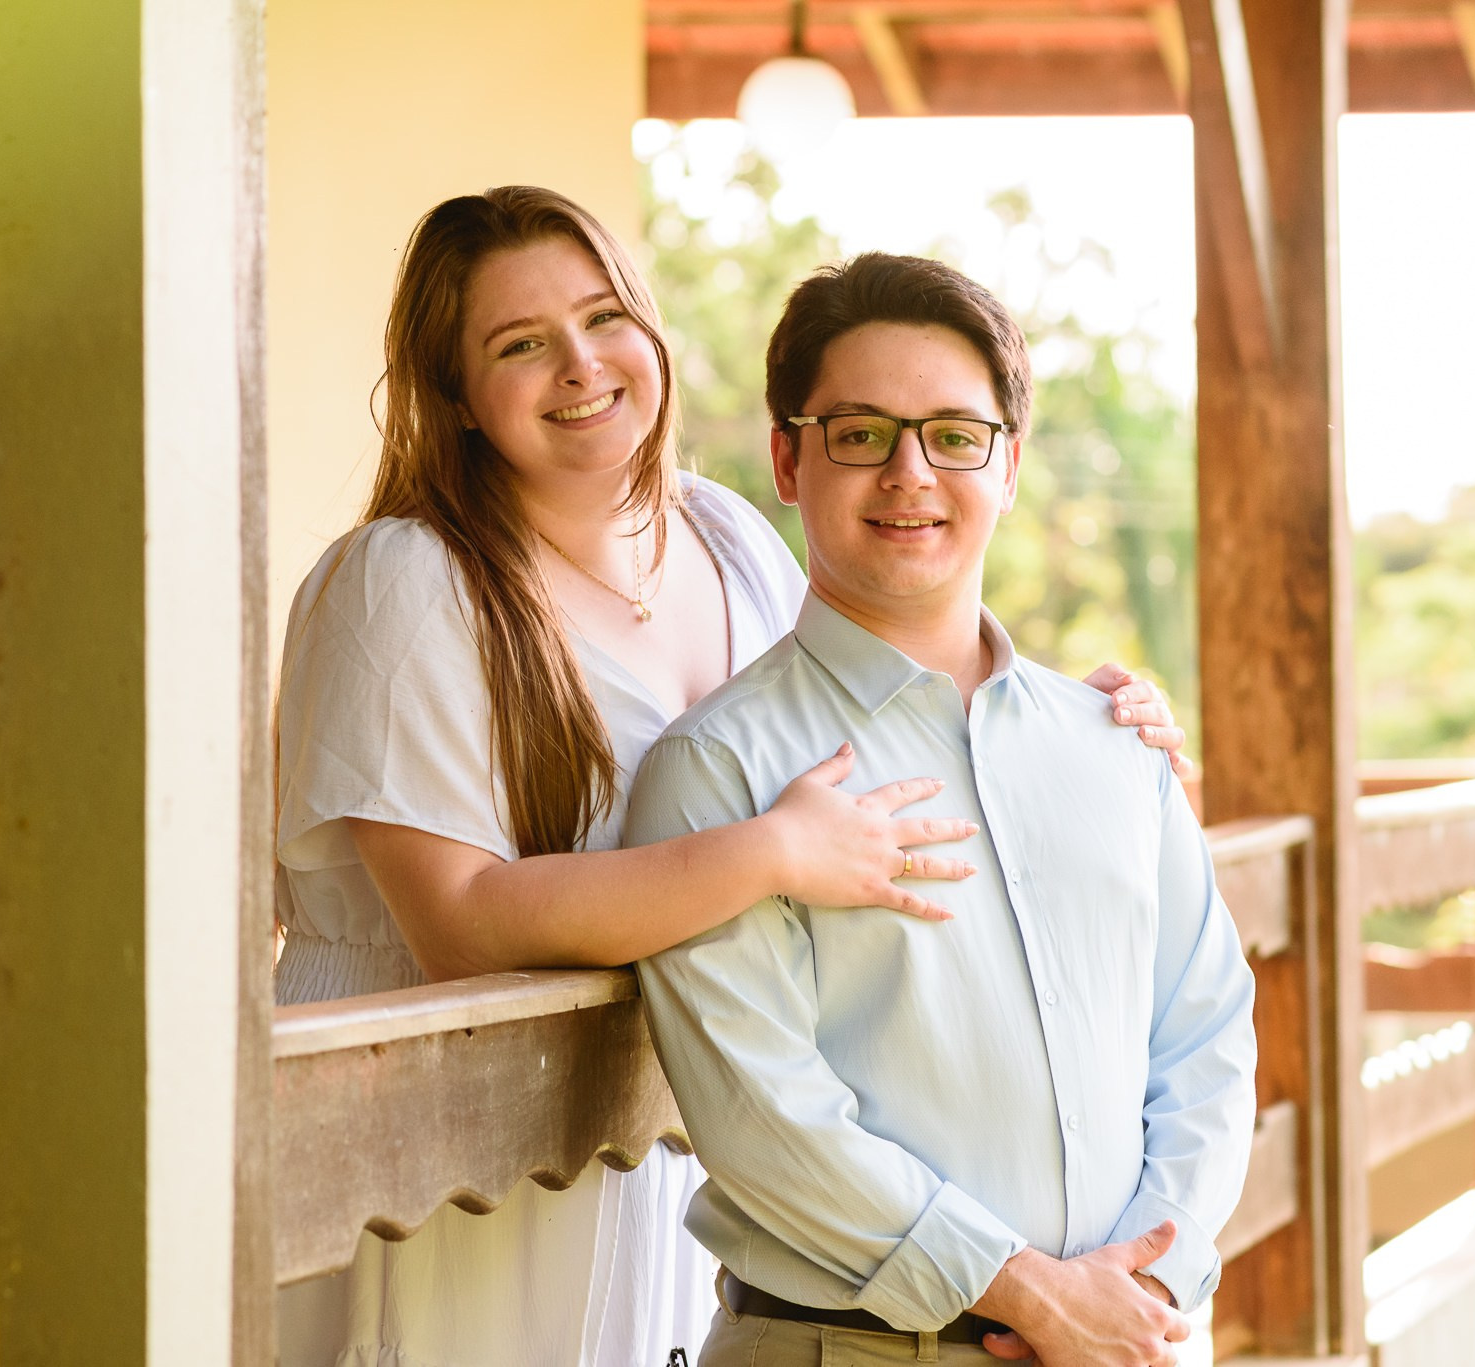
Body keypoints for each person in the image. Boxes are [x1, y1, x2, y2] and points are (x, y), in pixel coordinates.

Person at [274, 189, 1190, 1367]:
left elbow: (886, 722)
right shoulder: (402, 582)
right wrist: (764, 853)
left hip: (656, 1118)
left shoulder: (722, 535)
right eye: (519, 344)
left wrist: (1087, 726)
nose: (580, 366)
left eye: (604, 316)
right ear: (451, 390)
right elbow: (456, 928)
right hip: (442, 1152)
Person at [626, 253, 1256, 1367]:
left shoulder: (1114, 746)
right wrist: (1029, 1292)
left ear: (1006, 464)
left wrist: (1147, 1274)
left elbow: (1202, 1030)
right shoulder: (717, 770)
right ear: (787, 456)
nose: (909, 472)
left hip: (1129, 1341)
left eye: (953, 435)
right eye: (860, 432)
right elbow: (764, 1115)